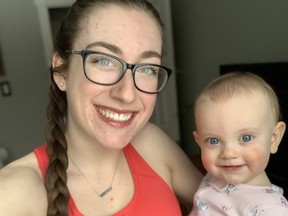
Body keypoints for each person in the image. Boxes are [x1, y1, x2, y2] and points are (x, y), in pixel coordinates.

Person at [0, 0, 203, 215]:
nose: (126, 94)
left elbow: (228, 204)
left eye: (147, 68)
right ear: (61, 71)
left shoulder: (152, 144)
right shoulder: (11, 194)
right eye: (104, 61)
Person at [189, 72, 288, 215]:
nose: (228, 153)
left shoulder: (271, 209)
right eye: (214, 141)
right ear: (199, 142)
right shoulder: (215, 176)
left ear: (274, 138)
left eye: (246, 138)